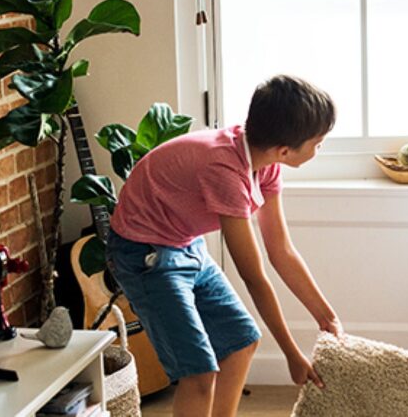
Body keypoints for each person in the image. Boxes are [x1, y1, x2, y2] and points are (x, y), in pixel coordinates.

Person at [106, 75, 344, 417]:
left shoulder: (265, 166)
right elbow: (254, 276)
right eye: (317, 143)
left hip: (184, 244)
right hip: (143, 253)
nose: (319, 150)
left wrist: (327, 317)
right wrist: (292, 354)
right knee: (199, 372)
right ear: (284, 150)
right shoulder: (224, 170)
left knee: (241, 341)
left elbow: (281, 251)